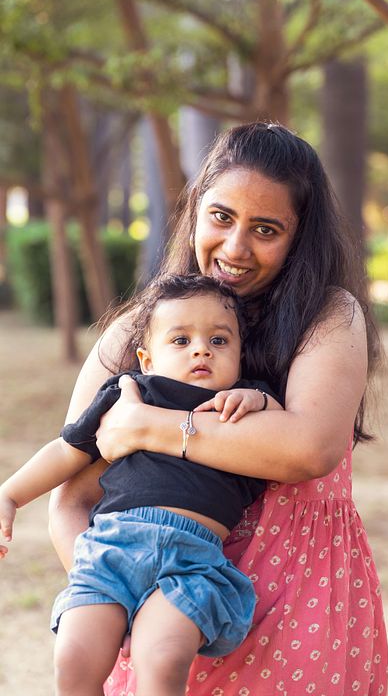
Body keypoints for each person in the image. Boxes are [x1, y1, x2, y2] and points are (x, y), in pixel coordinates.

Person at [49, 122, 388, 696]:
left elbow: (309, 449)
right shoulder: (137, 331)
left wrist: (148, 425)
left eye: (265, 229)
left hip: (298, 602)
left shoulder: (330, 316)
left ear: (299, 237)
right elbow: (71, 499)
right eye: (221, 217)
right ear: (195, 211)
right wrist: (112, 594)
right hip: (155, 615)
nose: (235, 248)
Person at [0, 274, 282, 696]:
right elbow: (67, 450)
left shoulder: (241, 404)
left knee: (163, 658)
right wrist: (10, 494)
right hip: (113, 547)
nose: (202, 349)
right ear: (147, 360)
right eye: (181, 340)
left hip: (192, 560)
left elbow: (286, 439)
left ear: (240, 355)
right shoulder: (130, 393)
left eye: (219, 340)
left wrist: (259, 401)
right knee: (74, 656)